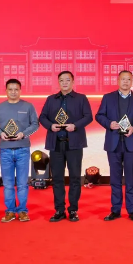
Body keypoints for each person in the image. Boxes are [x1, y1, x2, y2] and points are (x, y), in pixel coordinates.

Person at [96, 70, 133, 222]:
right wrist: (109, 124)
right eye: (123, 79)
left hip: (131, 142)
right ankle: (115, 210)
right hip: (113, 143)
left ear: (132, 81)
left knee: (131, 179)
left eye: (128, 79)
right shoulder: (108, 98)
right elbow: (99, 115)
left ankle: (132, 211)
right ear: (118, 81)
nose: (125, 82)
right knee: (115, 179)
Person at [39, 71, 93, 222]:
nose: (64, 83)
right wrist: (50, 126)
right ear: (58, 82)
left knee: (75, 177)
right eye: (61, 80)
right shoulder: (51, 99)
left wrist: (75, 125)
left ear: (73, 82)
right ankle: (59, 210)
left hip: (74, 144)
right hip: (55, 144)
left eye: (67, 80)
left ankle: (73, 210)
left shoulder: (81, 98)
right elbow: (42, 117)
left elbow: (88, 116)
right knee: (57, 178)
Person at [0, 79, 39, 223]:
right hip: (5, 150)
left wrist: (24, 134)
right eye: (10, 89)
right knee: (8, 184)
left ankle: (22, 211)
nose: (13, 92)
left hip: (23, 148)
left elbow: (35, 124)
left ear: (20, 90)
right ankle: (10, 211)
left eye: (16, 89)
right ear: (6, 91)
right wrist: (0, 134)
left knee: (22, 183)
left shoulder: (28, 106)